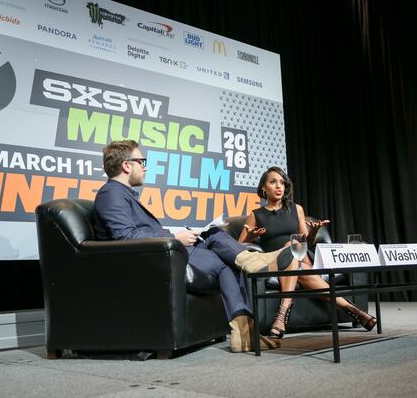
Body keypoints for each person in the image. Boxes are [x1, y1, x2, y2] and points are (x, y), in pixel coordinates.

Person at [92, 140, 283, 352]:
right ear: (127, 165)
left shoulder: (123, 194)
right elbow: (124, 237)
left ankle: (252, 266)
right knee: (223, 261)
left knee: (212, 234)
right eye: (141, 161)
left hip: (164, 252)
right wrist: (175, 238)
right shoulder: (111, 194)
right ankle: (245, 329)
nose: (144, 166)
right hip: (155, 259)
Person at [238, 166, 377, 339]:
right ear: (263, 188)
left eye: (282, 182)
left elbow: (306, 243)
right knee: (296, 259)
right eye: (273, 182)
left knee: (293, 244)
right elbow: (238, 248)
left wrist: (313, 233)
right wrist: (250, 236)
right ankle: (354, 309)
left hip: (301, 255)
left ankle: (282, 313)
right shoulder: (256, 215)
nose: (279, 186)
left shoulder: (297, 209)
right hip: (277, 262)